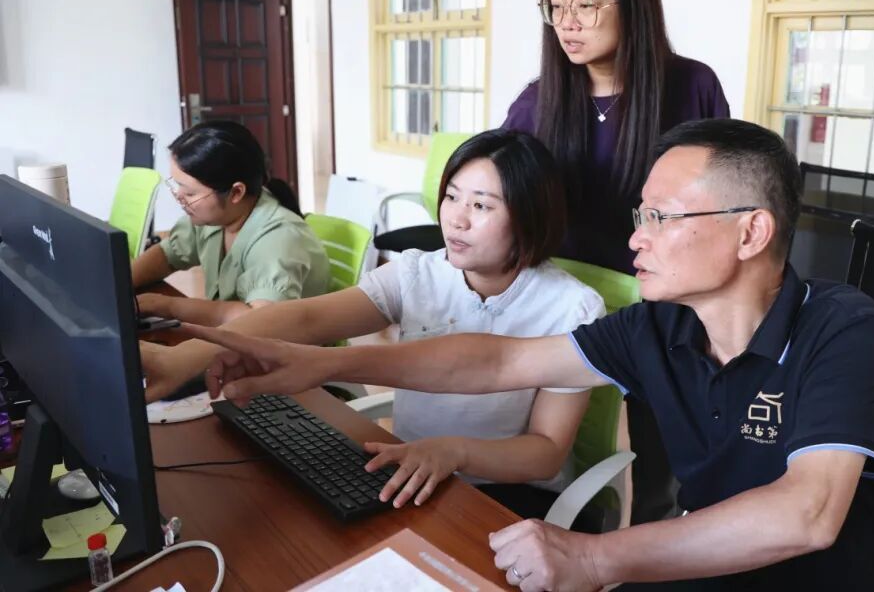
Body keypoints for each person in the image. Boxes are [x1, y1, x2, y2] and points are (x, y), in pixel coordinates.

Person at [186, 119, 874, 590]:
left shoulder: (839, 325)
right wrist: (326, 363)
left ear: (751, 232)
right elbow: (498, 362)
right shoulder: (657, 326)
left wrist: (594, 557)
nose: (635, 238)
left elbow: (808, 514)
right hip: (701, 570)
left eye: (661, 217)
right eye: (640, 214)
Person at [142, 129, 605, 519]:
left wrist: (455, 451)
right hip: (408, 471)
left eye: (482, 206)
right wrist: (187, 358)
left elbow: (546, 452)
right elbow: (306, 317)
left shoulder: (571, 308)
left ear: (530, 214)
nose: (456, 219)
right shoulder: (417, 272)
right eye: (451, 197)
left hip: (501, 491)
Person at [503, 0, 731, 524]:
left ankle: (657, 543)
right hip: (564, 302)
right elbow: (505, 201)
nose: (567, 22)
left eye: (585, 4)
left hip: (664, 307)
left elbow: (721, 203)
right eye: (555, 5)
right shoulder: (535, 103)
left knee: (663, 471)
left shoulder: (692, 87)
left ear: (632, 4)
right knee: (553, 454)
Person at [130, 121, 330, 326]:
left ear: (236, 192)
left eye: (189, 192)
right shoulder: (215, 216)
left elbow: (262, 320)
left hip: (279, 342)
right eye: (177, 185)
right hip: (235, 336)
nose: (179, 197)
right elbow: (168, 254)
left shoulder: (277, 239)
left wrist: (167, 306)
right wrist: (121, 284)